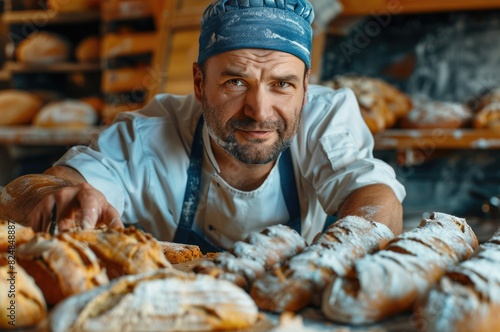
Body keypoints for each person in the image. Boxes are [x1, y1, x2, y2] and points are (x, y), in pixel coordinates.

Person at [0, 0, 405, 253]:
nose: (260, 110)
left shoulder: (326, 117)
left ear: (305, 86)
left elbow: (374, 195)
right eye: (235, 82)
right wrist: (49, 196)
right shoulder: (149, 134)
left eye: (282, 84)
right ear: (199, 83)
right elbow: (30, 191)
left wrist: (332, 261)